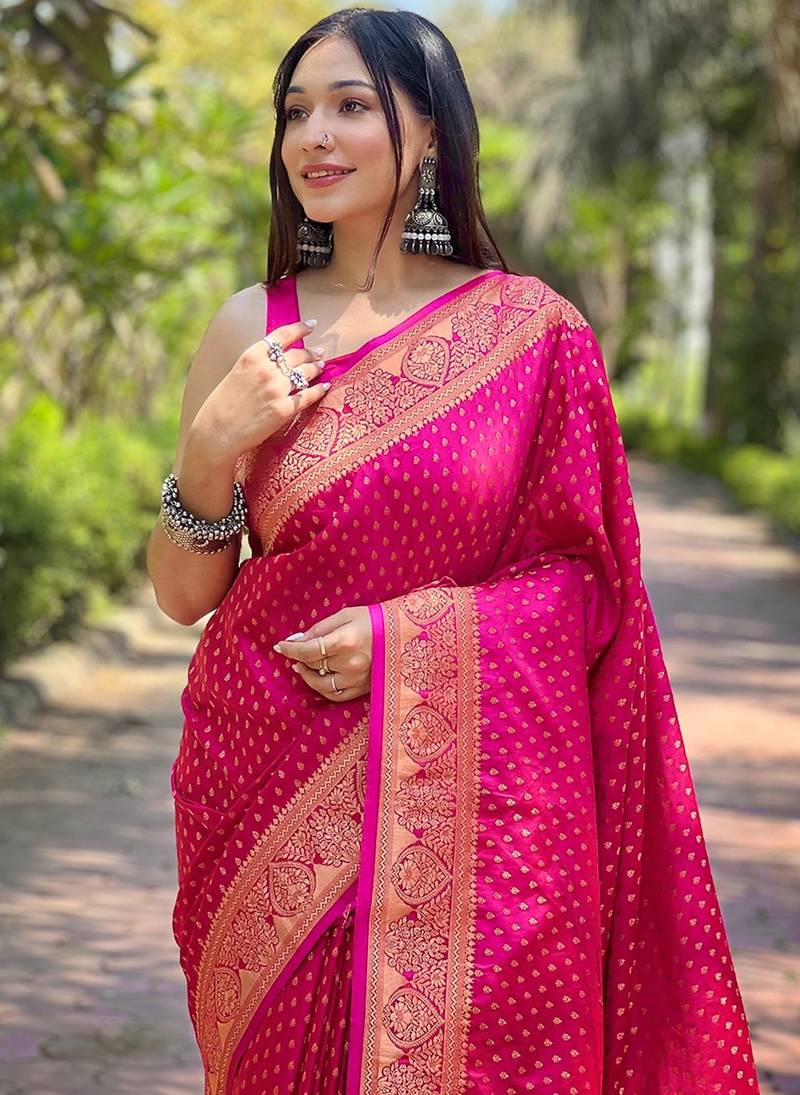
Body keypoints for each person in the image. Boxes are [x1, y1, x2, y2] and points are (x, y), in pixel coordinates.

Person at [146, 8, 761, 1094]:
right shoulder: (253, 328)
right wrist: (207, 449)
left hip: (484, 816)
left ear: (430, 133)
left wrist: (406, 641)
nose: (313, 137)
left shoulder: (533, 335)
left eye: (350, 106)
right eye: (295, 111)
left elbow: (589, 588)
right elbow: (184, 594)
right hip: (266, 779)